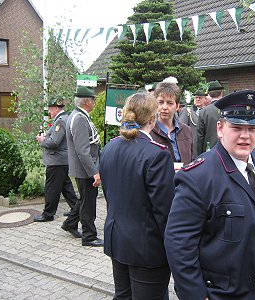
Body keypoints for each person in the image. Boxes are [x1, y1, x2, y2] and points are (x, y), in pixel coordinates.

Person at [165, 90, 255, 300]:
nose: (245, 136)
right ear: (220, 128)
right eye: (236, 127)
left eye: (252, 128)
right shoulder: (198, 177)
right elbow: (179, 244)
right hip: (230, 292)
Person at [100, 92, 175, 299]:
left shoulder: (109, 148)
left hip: (117, 240)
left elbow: (110, 194)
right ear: (153, 119)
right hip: (147, 248)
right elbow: (164, 212)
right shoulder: (157, 154)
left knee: (123, 296)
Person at [66, 86, 103, 247]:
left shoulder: (79, 115)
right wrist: (94, 172)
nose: (95, 102)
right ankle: (89, 236)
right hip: (85, 170)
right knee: (89, 204)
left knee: (84, 199)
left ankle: (70, 223)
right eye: (93, 99)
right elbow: (82, 150)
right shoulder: (79, 118)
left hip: (83, 168)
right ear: (86, 101)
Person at [34, 96, 79, 228]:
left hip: (56, 161)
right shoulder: (63, 119)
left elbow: (54, 142)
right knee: (66, 187)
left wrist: (42, 140)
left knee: (51, 188)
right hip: (61, 160)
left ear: (55, 108)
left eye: (50, 109)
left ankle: (48, 214)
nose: (49, 111)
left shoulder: (60, 121)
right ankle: (76, 208)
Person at [151, 81, 193, 165]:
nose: (164, 107)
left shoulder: (187, 131)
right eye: (161, 102)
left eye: (170, 103)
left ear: (177, 106)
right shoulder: (149, 132)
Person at [196, 80, 225, 155]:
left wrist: (199, 156)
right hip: (227, 152)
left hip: (209, 152)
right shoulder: (228, 110)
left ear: (209, 94)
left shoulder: (204, 112)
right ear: (221, 93)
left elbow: (200, 137)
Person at [179, 89, 208, 159]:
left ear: (205, 99)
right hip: (192, 148)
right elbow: (181, 129)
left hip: (206, 148)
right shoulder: (187, 111)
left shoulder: (208, 112)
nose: (197, 99)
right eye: (196, 97)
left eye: (200, 97)